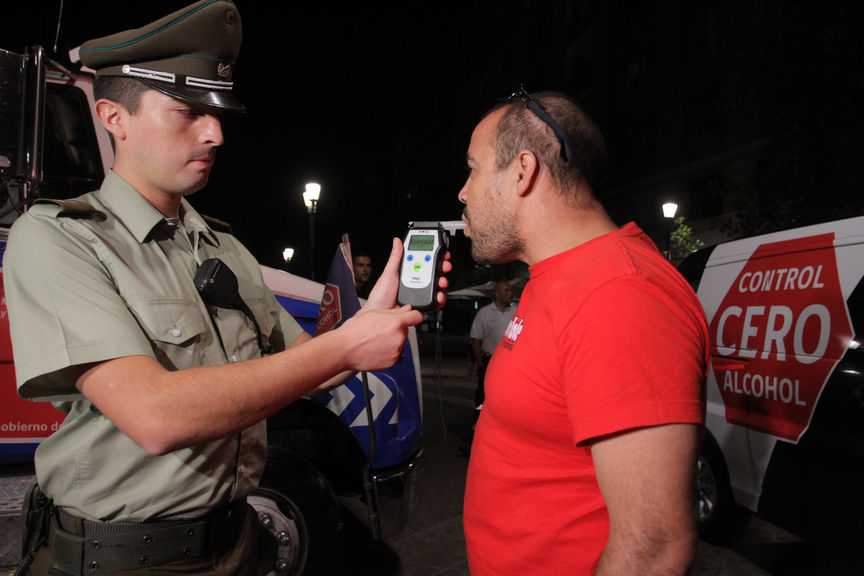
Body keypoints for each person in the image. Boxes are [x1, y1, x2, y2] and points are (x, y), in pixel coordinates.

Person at [3, 2, 449, 574]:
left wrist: (368, 323)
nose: (214, 133)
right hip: (123, 558)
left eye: (216, 112)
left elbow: (304, 364)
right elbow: (154, 416)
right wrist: (343, 348)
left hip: (239, 539)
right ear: (114, 117)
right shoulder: (59, 239)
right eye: (187, 111)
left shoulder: (223, 247)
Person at [459, 89, 708, 575]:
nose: (463, 192)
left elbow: (654, 552)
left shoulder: (620, 295)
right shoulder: (553, 278)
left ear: (523, 171)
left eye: (473, 168)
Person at [468, 279, 515, 425]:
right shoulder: (485, 313)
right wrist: (480, 363)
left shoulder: (516, 311)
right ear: (497, 294)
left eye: (510, 290)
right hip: (490, 360)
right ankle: (477, 427)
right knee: (483, 395)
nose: (510, 293)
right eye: (506, 290)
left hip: (512, 362)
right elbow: (476, 339)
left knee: (509, 396)